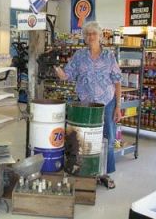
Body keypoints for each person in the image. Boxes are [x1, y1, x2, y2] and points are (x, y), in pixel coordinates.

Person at [55, 21, 122, 189]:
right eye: (88, 34)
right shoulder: (79, 56)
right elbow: (67, 75)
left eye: (94, 34)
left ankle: (105, 173)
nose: (91, 37)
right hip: (85, 105)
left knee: (108, 137)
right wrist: (56, 69)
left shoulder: (109, 56)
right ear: (84, 37)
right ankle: (85, 169)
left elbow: (118, 81)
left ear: (100, 36)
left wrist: (118, 106)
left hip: (106, 103)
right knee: (83, 138)